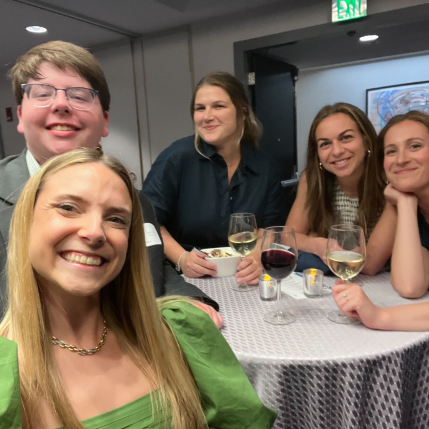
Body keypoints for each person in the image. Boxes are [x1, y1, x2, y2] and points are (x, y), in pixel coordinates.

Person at [0, 148, 277, 428]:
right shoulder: (6, 377)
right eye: (68, 207)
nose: (95, 232)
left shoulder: (182, 334)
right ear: (26, 221)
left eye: (116, 219)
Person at [0, 40, 219, 321]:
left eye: (79, 96)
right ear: (20, 115)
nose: (61, 104)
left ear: (104, 121)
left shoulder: (134, 200)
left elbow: (150, 266)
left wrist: (186, 299)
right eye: (42, 94)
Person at [142, 71, 283, 282]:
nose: (207, 116)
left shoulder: (265, 166)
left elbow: (271, 231)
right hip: (187, 277)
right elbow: (148, 221)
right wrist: (182, 259)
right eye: (200, 108)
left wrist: (255, 258)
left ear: (242, 111)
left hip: (245, 278)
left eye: (218, 106)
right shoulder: (176, 158)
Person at [286, 102, 395, 275]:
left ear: (366, 141)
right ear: (318, 154)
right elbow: (288, 237)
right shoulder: (313, 178)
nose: (336, 151)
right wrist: (318, 244)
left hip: (383, 286)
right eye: (325, 144)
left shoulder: (389, 180)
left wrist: (310, 239)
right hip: (333, 280)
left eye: (346, 138)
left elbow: (369, 264)